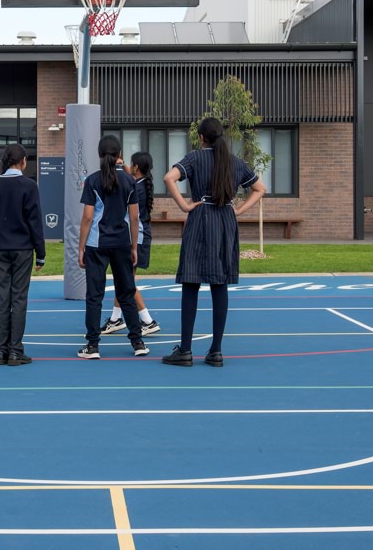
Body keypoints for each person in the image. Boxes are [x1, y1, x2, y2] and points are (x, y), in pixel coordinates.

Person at [161, 117, 266, 368]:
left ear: (201, 138)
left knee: (191, 281)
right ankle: (216, 351)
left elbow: (168, 178)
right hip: (225, 222)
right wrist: (237, 211)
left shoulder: (195, 158)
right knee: (220, 284)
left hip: (200, 217)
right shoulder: (236, 162)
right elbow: (260, 188)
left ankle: (185, 350)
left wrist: (185, 205)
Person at [76, 135, 148, 360]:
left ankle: (93, 345)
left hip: (97, 244)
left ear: (99, 154)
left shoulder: (93, 180)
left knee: (94, 296)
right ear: (119, 155)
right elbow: (134, 217)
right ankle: (137, 342)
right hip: (122, 243)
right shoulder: (129, 181)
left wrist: (80, 248)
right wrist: (134, 246)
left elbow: (88, 217)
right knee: (126, 292)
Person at [0, 143, 45, 366]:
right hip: (23, 249)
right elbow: (35, 221)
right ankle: (16, 351)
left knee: (2, 299)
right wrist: (41, 253)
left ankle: (1, 351)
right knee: (18, 299)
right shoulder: (29, 186)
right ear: (23, 161)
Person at [101, 151, 159, 337]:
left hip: (136, 238)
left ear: (135, 168)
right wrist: (124, 167)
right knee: (123, 279)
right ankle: (115, 319)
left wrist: (116, 167)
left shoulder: (134, 185)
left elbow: (123, 185)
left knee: (126, 283)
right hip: (140, 236)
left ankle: (148, 320)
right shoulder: (141, 184)